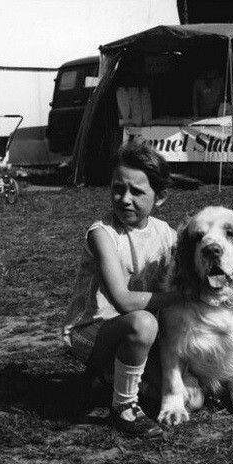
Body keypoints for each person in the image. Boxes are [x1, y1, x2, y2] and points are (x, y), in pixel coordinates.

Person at [63, 141, 178, 437]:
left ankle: (105, 377)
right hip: (93, 329)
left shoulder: (166, 233)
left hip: (139, 331)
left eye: (137, 192)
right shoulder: (102, 234)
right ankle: (124, 408)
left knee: (184, 396)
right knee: (143, 321)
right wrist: (182, 296)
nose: (125, 199)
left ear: (161, 197)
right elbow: (124, 301)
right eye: (118, 188)